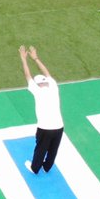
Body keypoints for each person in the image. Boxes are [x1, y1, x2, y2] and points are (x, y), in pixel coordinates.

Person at [20, 46, 63, 174]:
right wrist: (35, 58)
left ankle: (35, 168)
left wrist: (24, 59)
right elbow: (47, 73)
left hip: (45, 128)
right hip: (59, 126)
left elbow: (27, 75)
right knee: (53, 149)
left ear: (38, 83)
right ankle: (47, 166)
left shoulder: (37, 90)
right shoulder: (53, 86)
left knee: (40, 148)